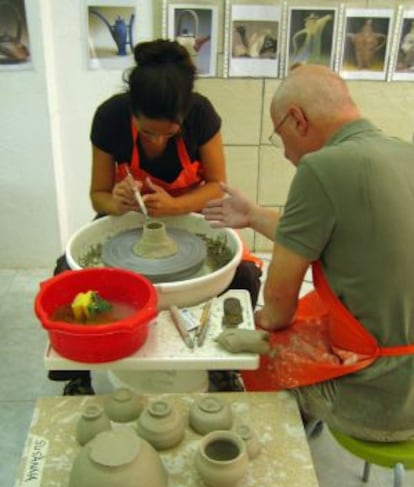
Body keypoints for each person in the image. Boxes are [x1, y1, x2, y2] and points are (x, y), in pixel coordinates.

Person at [203, 64, 414, 442]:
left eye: (280, 136)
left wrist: (262, 324)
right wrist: (251, 215)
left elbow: (280, 299)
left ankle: (280, 446)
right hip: (404, 374)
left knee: (256, 353)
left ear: (298, 119)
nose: (285, 153)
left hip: (383, 400)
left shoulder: (321, 167)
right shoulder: (403, 151)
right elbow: (321, 238)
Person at [50, 39, 262, 396]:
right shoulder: (110, 117)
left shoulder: (201, 114)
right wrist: (116, 202)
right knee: (65, 275)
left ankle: (222, 366)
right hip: (130, 219)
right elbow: (97, 194)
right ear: (132, 111)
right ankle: (77, 374)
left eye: (170, 133)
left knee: (244, 275)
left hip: (189, 214)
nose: (159, 141)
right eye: (148, 132)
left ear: (183, 116)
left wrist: (177, 206)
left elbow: (216, 186)